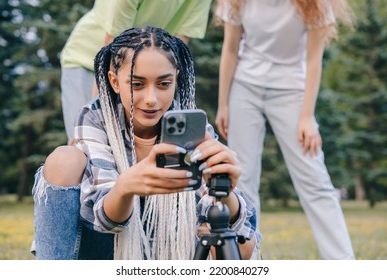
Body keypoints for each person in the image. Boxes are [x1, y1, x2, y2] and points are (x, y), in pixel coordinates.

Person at [32, 26, 259, 260]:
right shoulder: (97, 118)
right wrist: (126, 187)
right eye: (137, 84)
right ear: (114, 81)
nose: (151, 100)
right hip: (108, 245)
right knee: (64, 159)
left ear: (175, 80)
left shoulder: (191, 125)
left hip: (171, 245)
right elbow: (105, 222)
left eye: (163, 84)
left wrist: (224, 189)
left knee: (245, 235)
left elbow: (236, 239)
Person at [214, 0, 355, 259]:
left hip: (292, 90)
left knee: (315, 179)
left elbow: (314, 59)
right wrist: (223, 104)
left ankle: (342, 264)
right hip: (245, 87)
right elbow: (231, 49)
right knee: (242, 179)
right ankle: (248, 260)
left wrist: (307, 117)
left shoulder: (316, 4)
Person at [61, 0, 212, 142]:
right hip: (88, 61)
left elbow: (178, 49)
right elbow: (109, 55)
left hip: (147, 72)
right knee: (87, 142)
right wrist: (97, 121)